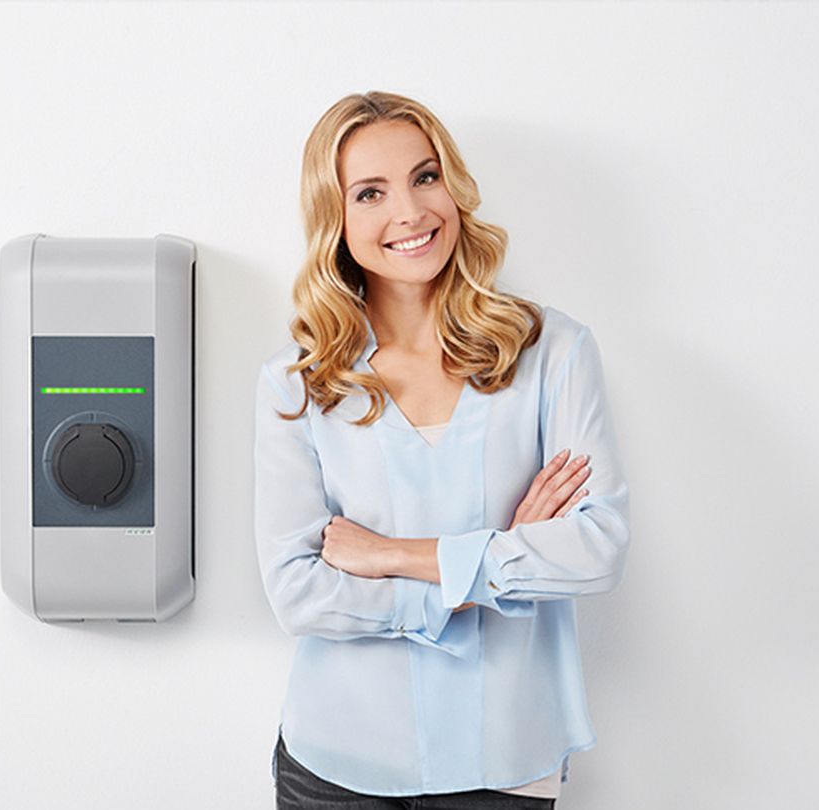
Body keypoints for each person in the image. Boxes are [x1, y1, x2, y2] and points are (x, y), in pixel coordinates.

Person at [253, 91, 631, 810]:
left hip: (504, 762)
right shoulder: (298, 383)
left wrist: (392, 554)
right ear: (336, 218)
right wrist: (495, 564)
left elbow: (597, 549)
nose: (410, 212)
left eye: (425, 177)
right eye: (370, 193)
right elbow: (298, 594)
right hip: (335, 763)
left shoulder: (552, 352)